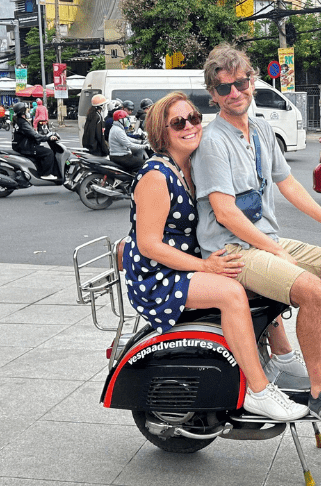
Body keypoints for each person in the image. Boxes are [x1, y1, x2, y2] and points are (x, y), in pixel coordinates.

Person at [193, 44, 321, 428]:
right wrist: (275, 251)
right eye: (224, 88)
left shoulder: (263, 129)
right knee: (312, 291)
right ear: (214, 95)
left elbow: (289, 185)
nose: (235, 93)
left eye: (240, 82)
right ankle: (320, 390)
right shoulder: (213, 142)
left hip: (265, 240)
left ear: (252, 81)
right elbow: (225, 212)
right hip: (235, 251)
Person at [121, 92, 308, 421]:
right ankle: (259, 391)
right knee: (232, 292)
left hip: (182, 266)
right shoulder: (155, 176)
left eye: (194, 118)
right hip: (156, 276)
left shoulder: (190, 166)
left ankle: (281, 356)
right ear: (161, 133)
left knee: (254, 271)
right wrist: (206, 265)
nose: (191, 126)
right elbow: (149, 245)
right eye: (178, 122)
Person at [11, 101, 57, 178]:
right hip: (25, 147)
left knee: (41, 151)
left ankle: (39, 170)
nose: (28, 111)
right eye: (26, 110)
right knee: (48, 152)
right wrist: (47, 138)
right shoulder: (22, 122)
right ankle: (46, 174)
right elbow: (35, 135)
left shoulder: (18, 121)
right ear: (22, 111)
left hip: (20, 145)